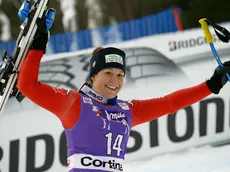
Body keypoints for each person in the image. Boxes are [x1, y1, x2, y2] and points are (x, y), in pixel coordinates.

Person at [17, 19, 230, 172]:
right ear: (93, 76)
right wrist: (37, 47)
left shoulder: (127, 110)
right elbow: (27, 86)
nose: (115, 80)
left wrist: (211, 85)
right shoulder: (74, 103)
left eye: (120, 74)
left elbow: (170, 103)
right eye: (107, 73)